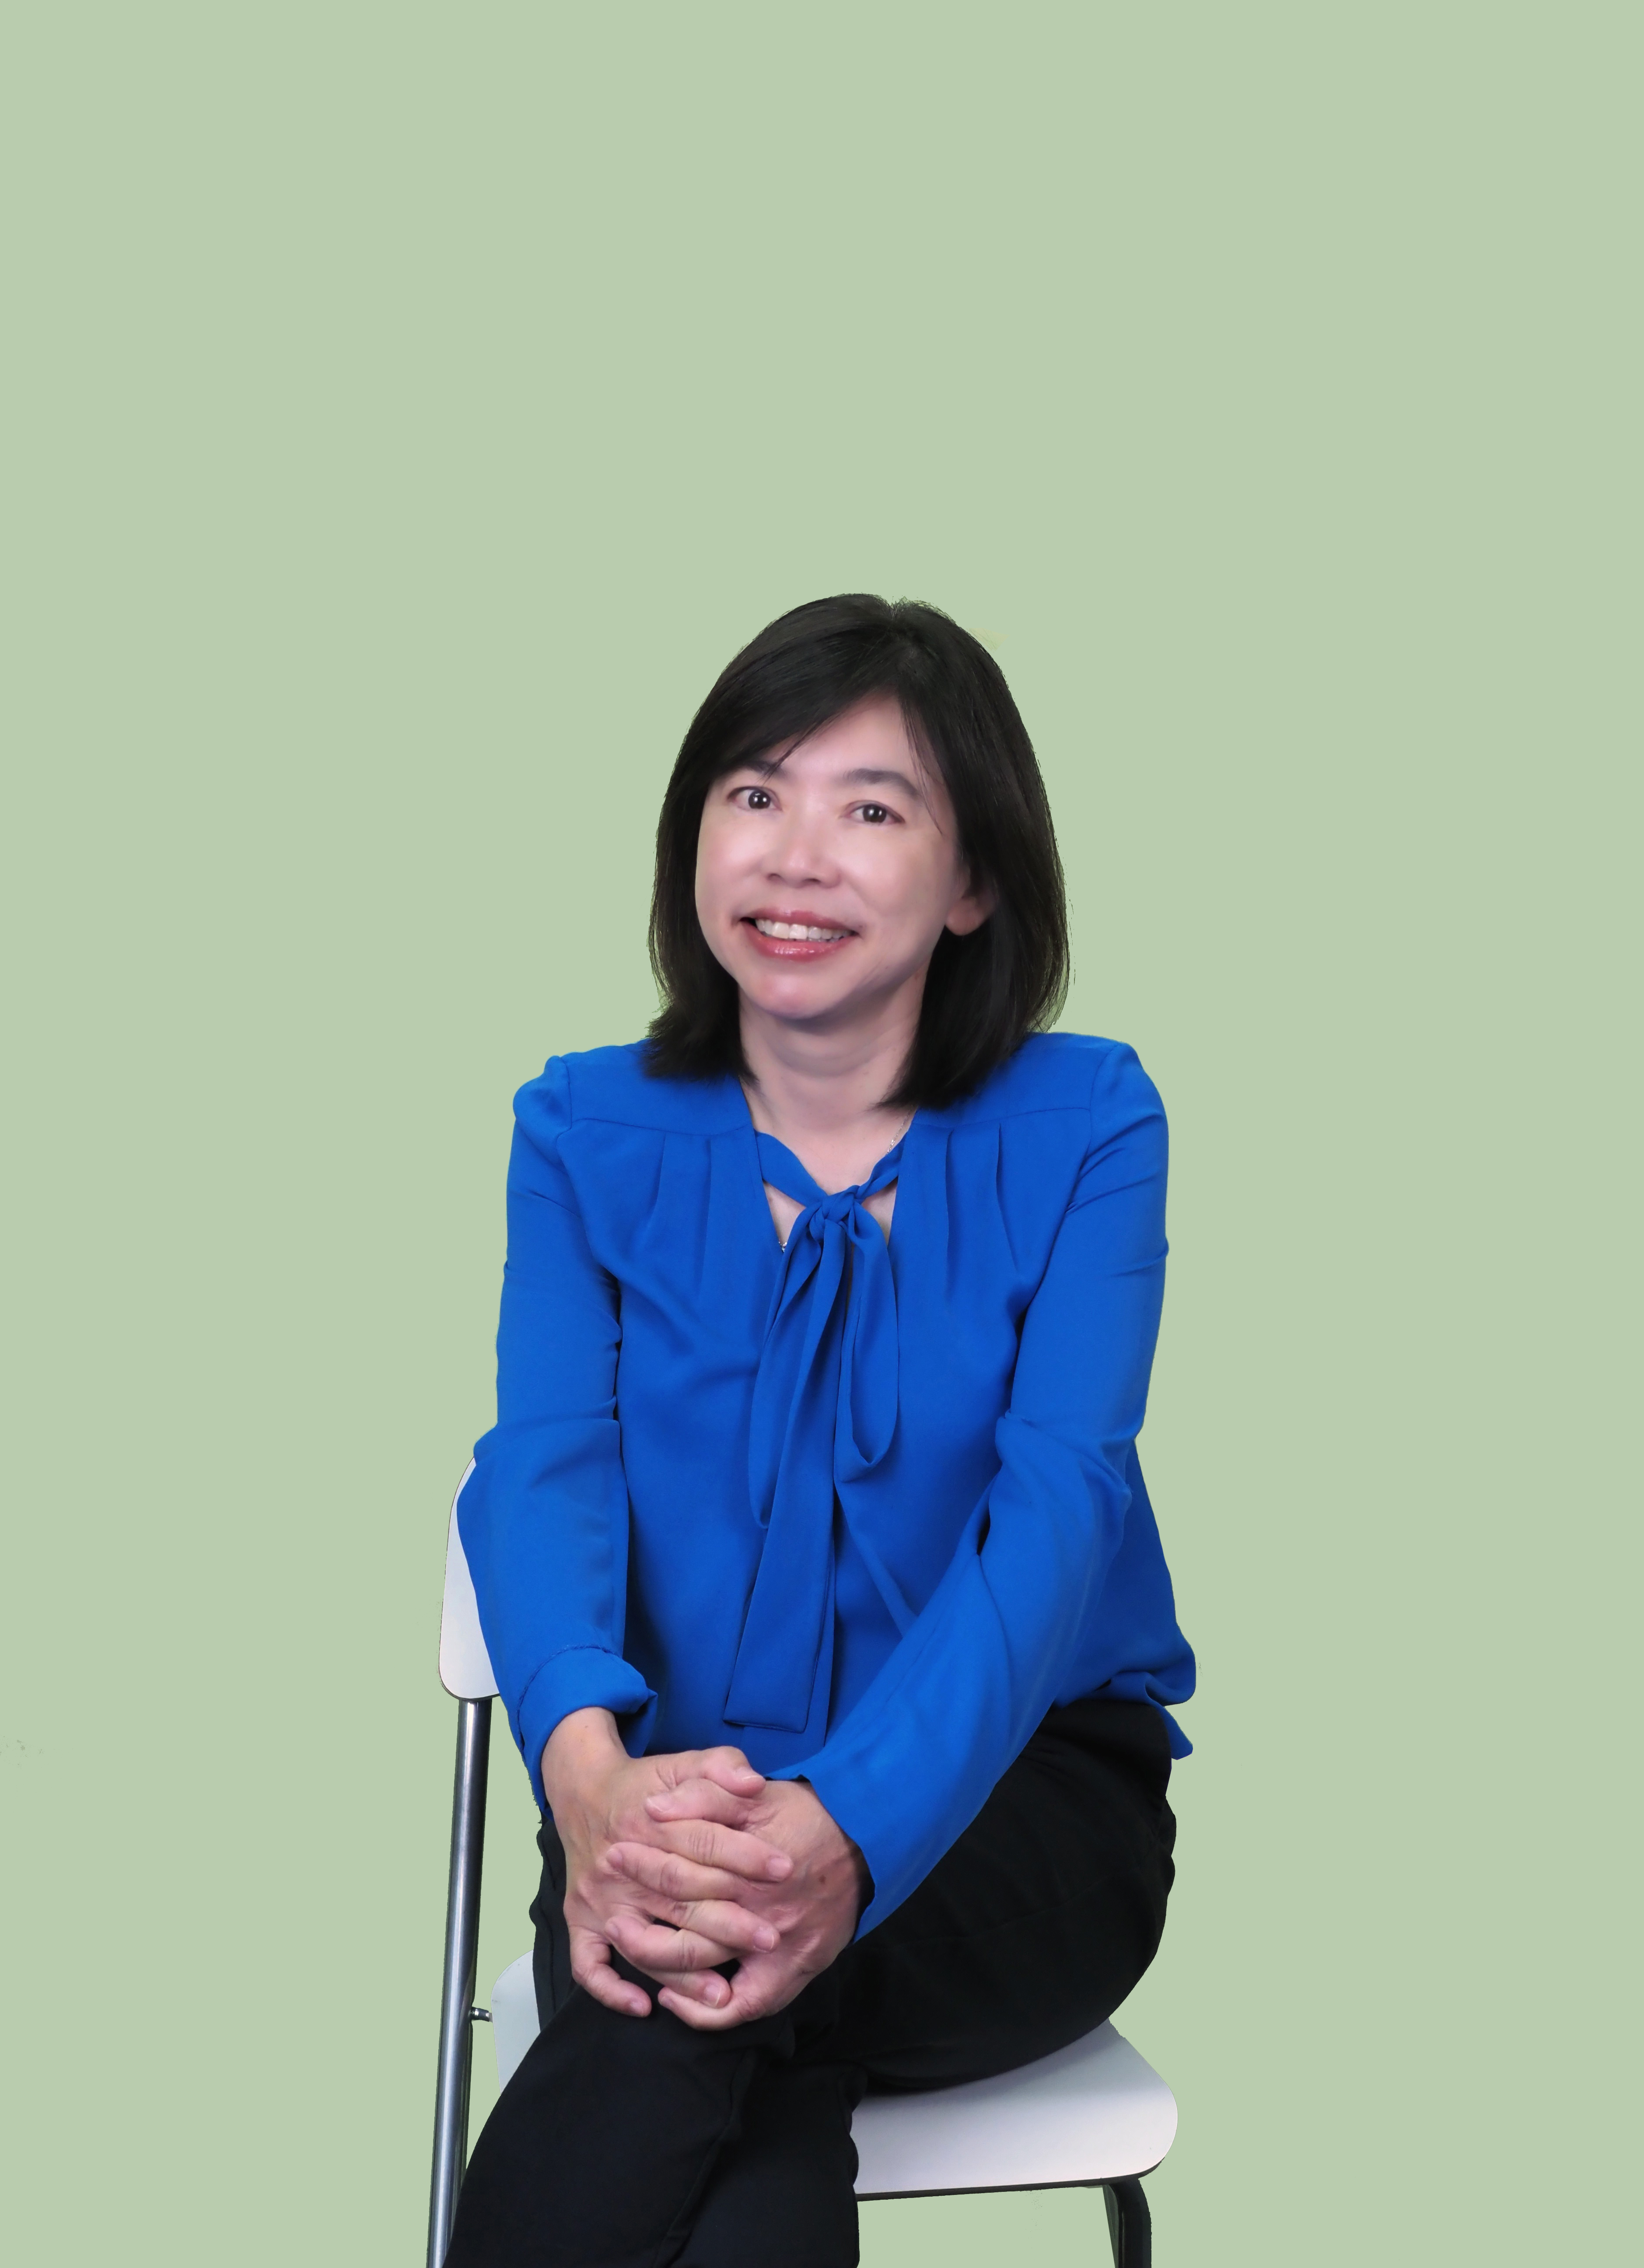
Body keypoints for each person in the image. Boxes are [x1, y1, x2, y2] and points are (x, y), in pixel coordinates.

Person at [446, 595, 1195, 2267]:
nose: (796, 856)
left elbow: (1060, 1515)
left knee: (676, 1989)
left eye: (871, 807)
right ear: (692, 839)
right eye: (754, 793)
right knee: (719, 2027)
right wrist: (587, 1786)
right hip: (665, 1799)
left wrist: (847, 1830)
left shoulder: (1090, 1125)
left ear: (974, 879)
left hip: (1018, 1812)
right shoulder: (579, 1129)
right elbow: (544, 1467)